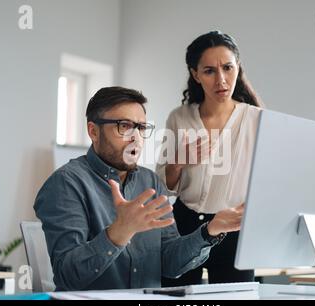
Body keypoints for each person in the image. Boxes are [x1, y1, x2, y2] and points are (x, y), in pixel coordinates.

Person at [33, 86, 244, 291]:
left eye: (141, 128)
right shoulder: (65, 184)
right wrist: (118, 233)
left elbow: (170, 263)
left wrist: (210, 231)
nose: (136, 137)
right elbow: (67, 275)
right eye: (124, 126)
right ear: (93, 131)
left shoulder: (150, 182)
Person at [156, 31, 263, 286]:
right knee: (175, 300)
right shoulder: (179, 118)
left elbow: (271, 180)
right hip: (184, 224)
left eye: (228, 68)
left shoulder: (257, 120)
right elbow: (165, 184)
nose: (222, 80)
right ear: (195, 74)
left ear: (238, 67)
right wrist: (179, 160)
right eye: (209, 71)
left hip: (233, 229)